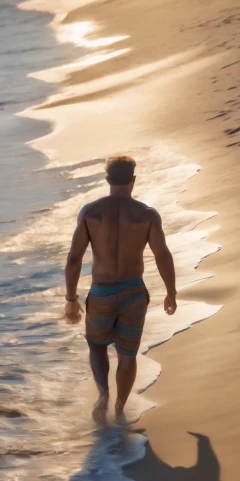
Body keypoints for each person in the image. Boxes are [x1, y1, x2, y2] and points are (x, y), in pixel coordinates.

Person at [64, 156, 177, 424]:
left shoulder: (90, 212)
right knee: (128, 354)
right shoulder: (147, 215)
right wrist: (171, 292)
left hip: (101, 292)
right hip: (134, 292)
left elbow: (74, 258)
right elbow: (162, 254)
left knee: (97, 346)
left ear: (107, 181)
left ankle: (103, 393)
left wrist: (71, 299)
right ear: (133, 180)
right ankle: (119, 407)